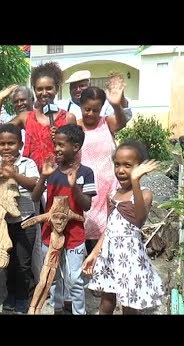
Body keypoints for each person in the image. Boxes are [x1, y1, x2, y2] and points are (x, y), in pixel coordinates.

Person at [83, 141, 164, 314]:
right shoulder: (112, 195)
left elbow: (139, 219)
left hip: (130, 258)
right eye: (117, 164)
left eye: (128, 165)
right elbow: (109, 228)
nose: (120, 170)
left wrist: (135, 181)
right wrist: (95, 253)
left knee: (129, 304)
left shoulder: (144, 193)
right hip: (110, 256)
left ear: (140, 167)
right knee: (107, 302)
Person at [31, 124, 96, 315]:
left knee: (74, 280)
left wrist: (74, 186)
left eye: (61, 145)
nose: (56, 148)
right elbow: (35, 198)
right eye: (55, 144)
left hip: (74, 237)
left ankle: (78, 311)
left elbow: (86, 205)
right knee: (53, 277)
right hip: (49, 236)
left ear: (75, 147)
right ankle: (56, 309)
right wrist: (43, 177)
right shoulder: (51, 171)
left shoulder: (86, 173)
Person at [0, 123, 39, 314]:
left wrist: (15, 175)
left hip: (25, 221)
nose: (6, 147)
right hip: (2, 224)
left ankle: (22, 298)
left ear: (20, 144)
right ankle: (10, 296)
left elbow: (34, 185)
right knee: (8, 263)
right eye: (2, 144)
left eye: (11, 143)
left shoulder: (28, 163)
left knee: (23, 262)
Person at [0, 62, 76, 173]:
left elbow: (75, 151)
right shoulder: (26, 117)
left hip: (59, 178)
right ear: (34, 90)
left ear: (57, 88)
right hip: (31, 179)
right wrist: (0, 100)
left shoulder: (68, 118)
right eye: (39, 89)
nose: (44, 93)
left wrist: (60, 140)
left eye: (49, 88)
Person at [77, 86, 128, 254]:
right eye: (87, 109)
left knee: (108, 236)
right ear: (80, 106)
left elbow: (122, 121)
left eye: (96, 110)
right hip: (85, 189)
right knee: (83, 233)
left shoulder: (107, 122)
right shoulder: (75, 126)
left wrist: (116, 105)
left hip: (108, 189)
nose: (91, 113)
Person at [56, 70, 133, 121]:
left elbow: (125, 118)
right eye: (74, 87)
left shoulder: (104, 103)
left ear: (89, 86)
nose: (78, 89)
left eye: (82, 86)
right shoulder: (62, 106)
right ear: (69, 89)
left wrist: (120, 98)